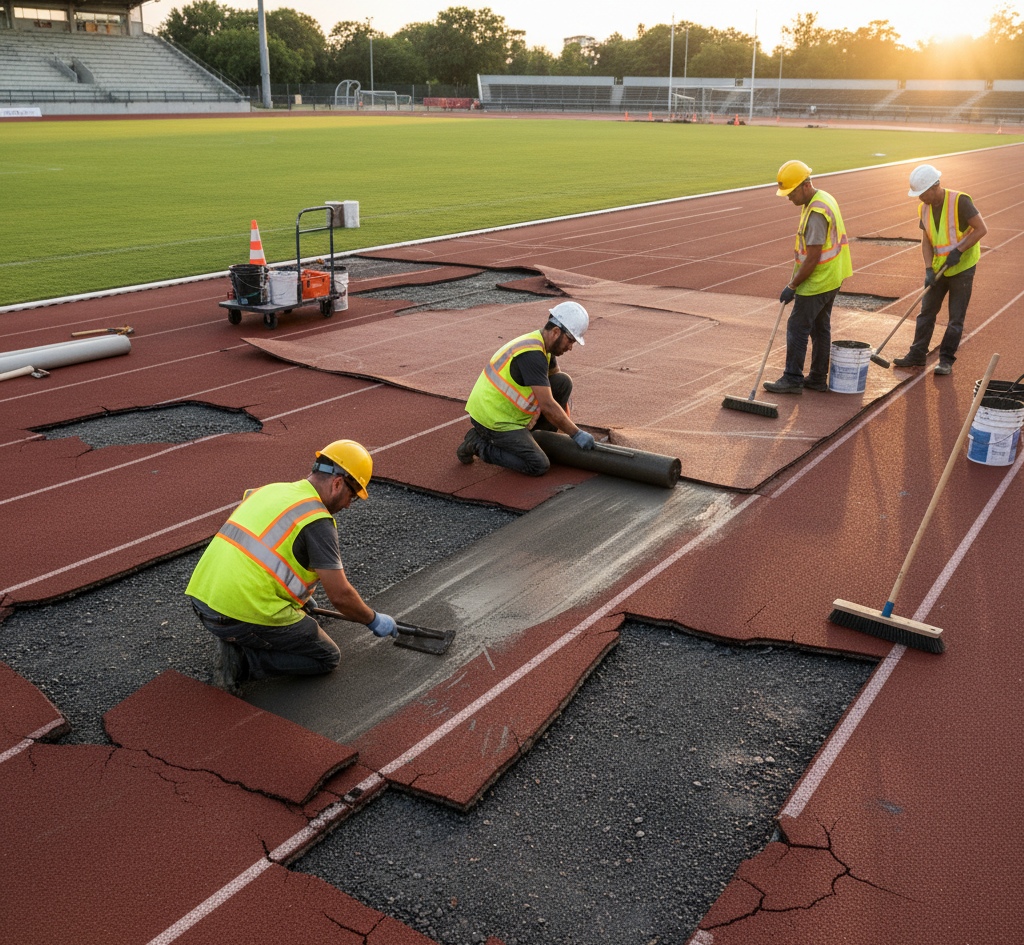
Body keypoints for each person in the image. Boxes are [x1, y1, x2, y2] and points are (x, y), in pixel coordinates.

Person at [185, 439, 398, 695]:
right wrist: (373, 619)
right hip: (235, 615)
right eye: (352, 495)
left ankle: (237, 638)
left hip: (201, 601)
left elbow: (257, 556)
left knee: (301, 620)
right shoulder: (317, 520)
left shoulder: (269, 490)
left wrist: (296, 599)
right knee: (326, 657)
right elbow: (341, 596)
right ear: (338, 483)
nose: (349, 504)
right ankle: (241, 661)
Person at [456, 301, 595, 476]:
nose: (570, 347)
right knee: (538, 465)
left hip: (508, 412)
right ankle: (476, 443)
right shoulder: (531, 354)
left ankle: (540, 439)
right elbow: (548, 405)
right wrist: (576, 433)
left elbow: (554, 386)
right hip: (493, 419)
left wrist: (563, 421)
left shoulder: (544, 346)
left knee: (562, 381)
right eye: (571, 341)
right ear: (556, 332)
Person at [764, 160, 853, 395]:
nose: (789, 198)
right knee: (821, 327)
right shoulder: (822, 197)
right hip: (834, 275)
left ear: (805, 186)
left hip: (818, 280)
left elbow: (812, 258)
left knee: (797, 326)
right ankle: (816, 378)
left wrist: (792, 285)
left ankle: (792, 378)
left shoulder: (816, 212)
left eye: (791, 193)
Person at [893, 164, 987, 375]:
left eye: (922, 193)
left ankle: (945, 360)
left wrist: (960, 250)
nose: (919, 198)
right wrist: (928, 268)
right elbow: (926, 240)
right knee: (926, 313)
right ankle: (917, 355)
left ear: (935, 186)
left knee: (955, 318)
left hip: (962, 268)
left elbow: (982, 229)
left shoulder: (960, 201)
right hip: (938, 269)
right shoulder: (923, 207)